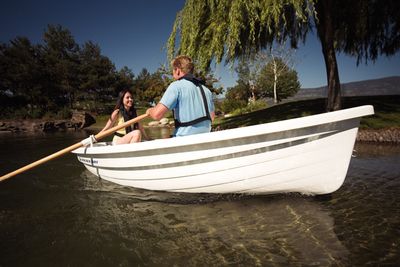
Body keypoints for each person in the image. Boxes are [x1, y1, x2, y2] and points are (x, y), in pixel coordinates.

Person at [146, 55, 215, 137]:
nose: (172, 73)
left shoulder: (176, 86)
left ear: (178, 70)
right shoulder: (206, 90)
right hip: (205, 136)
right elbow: (212, 117)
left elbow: (157, 115)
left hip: (184, 139)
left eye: (173, 70)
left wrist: (150, 111)